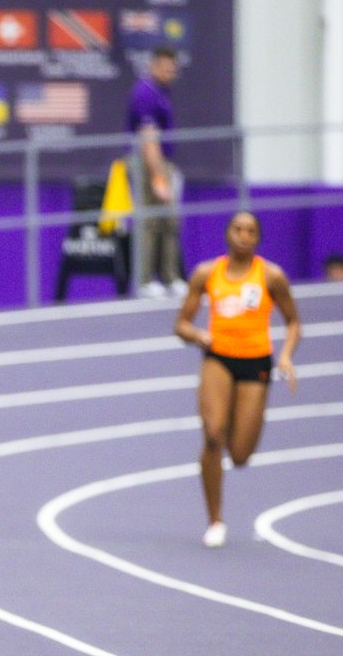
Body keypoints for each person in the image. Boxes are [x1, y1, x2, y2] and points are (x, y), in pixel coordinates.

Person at [174, 211, 300, 548]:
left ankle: (246, 415)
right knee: (213, 435)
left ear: (257, 239)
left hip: (256, 362)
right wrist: (198, 335)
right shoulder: (206, 273)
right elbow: (181, 324)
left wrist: (286, 355)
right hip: (218, 357)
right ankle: (215, 520)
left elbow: (293, 322)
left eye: (251, 231)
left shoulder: (271, 276)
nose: (243, 236)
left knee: (240, 454)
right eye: (238, 229)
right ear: (227, 233)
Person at [128, 45, 186, 299]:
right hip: (148, 162)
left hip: (162, 162)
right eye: (165, 68)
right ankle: (144, 281)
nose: (170, 73)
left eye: (174, 69)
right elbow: (148, 139)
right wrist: (158, 177)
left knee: (168, 220)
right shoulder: (145, 93)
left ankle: (171, 278)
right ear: (153, 66)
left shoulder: (162, 92)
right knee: (150, 221)